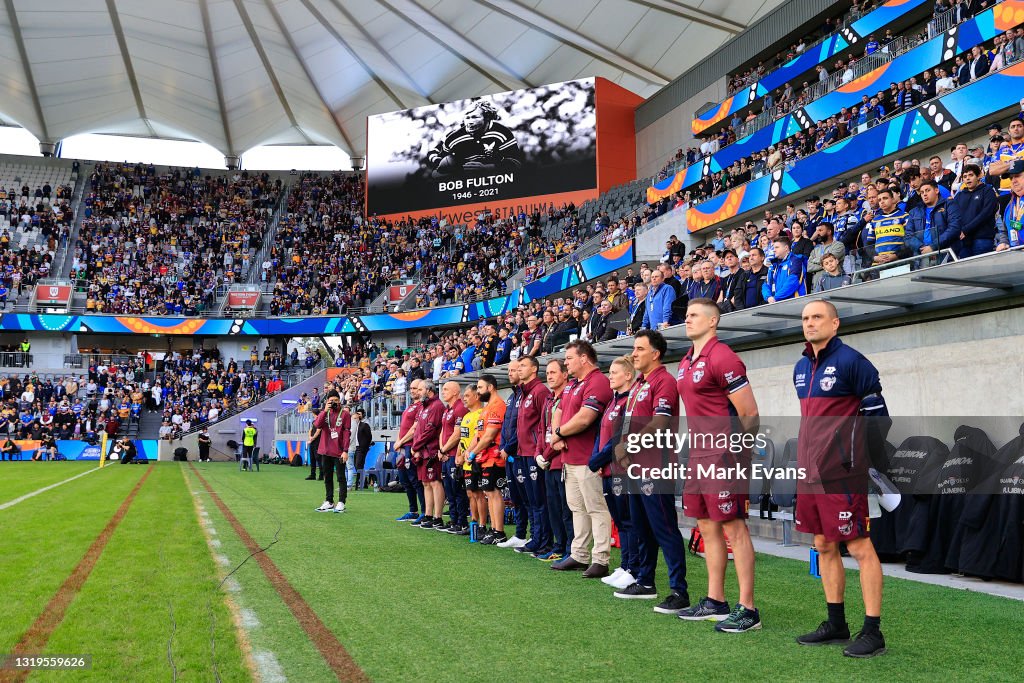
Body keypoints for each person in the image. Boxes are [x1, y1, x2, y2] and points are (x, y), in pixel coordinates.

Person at [793, 301, 889, 658]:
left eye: (817, 317)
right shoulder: (801, 367)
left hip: (843, 473)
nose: (810, 323)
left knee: (860, 546)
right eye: (805, 318)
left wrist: (861, 462)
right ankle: (836, 624)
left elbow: (878, 419)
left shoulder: (853, 362)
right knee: (823, 543)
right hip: (810, 471)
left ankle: (873, 631)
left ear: (835, 323)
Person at [676, 299, 762, 632]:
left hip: (724, 454)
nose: (687, 320)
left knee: (733, 529)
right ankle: (715, 600)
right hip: (698, 454)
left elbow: (750, 412)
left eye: (694, 315)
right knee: (707, 527)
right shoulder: (685, 361)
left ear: (713, 321)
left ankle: (748, 608)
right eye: (686, 316)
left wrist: (740, 452)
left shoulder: (724, 356)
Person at [612, 330, 690, 615]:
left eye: (639, 349)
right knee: (642, 527)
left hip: (656, 466)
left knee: (664, 529)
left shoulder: (665, 381)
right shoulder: (639, 384)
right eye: (634, 349)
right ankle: (645, 582)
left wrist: (629, 445)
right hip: (634, 466)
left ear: (655, 353)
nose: (634, 354)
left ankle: (679, 591)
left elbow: (660, 421)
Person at [549, 340, 613, 575]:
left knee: (596, 508)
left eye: (569, 358)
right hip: (569, 457)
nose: (566, 363)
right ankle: (579, 554)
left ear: (584, 358)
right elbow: (558, 409)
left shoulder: (598, 382)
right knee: (577, 508)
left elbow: (586, 418)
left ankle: (601, 559)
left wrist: (559, 433)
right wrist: (558, 434)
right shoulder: (573, 384)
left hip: (589, 459)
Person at [590, 355, 638, 589]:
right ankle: (625, 564)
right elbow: (602, 434)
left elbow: (619, 438)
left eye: (614, 373)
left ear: (628, 375)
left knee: (628, 520)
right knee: (619, 520)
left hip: (623, 470)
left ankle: (633, 568)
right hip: (607, 469)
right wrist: (597, 459)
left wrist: (597, 459)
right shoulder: (613, 401)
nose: (610, 377)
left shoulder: (630, 400)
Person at [513, 355, 552, 556]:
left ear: (534, 369)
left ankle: (544, 541)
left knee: (540, 500)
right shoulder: (523, 393)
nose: (519, 369)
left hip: (534, 453)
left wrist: (540, 449)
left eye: (523, 366)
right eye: (518, 366)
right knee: (531, 500)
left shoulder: (540, 391)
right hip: (523, 453)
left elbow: (544, 423)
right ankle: (536, 538)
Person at [427, 100, 524, 177]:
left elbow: (516, 163)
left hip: (494, 178)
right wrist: (441, 165)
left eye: (474, 117)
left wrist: (488, 168)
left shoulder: (502, 132)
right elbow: (433, 154)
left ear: (487, 117)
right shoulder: (454, 137)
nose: (470, 122)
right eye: (467, 118)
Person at [536, 359, 573, 561]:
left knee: (566, 509)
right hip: (547, 461)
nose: (549, 376)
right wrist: (538, 453)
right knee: (553, 507)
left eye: (553, 372)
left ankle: (570, 549)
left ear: (565, 374)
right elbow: (542, 430)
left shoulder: (568, 397)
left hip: (560, 461)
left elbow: (563, 433)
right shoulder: (549, 399)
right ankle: (559, 546)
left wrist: (546, 454)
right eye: (547, 373)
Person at [466, 374, 507, 545]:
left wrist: (473, 452)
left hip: (495, 457)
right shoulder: (486, 408)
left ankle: (499, 531)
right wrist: (470, 451)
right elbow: (478, 434)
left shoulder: (497, 405)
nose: (479, 391)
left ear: (490, 387)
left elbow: (489, 436)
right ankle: (493, 529)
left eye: (481, 388)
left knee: (494, 493)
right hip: (485, 457)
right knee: (488, 493)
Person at [496, 360, 528, 548]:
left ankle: (534, 536)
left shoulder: (526, 395)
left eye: (514, 370)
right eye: (508, 370)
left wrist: (508, 447)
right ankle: (520, 534)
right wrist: (503, 446)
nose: (510, 373)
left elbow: (523, 427)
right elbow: (505, 426)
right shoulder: (512, 396)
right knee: (515, 497)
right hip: (508, 453)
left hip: (520, 453)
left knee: (528, 498)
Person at [410, 379, 446, 528]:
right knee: (426, 483)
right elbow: (418, 429)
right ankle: (428, 514)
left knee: (435, 482)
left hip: (431, 450)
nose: (417, 393)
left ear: (429, 390)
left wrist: (416, 446)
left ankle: (437, 516)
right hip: (422, 450)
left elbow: (430, 431)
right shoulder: (424, 407)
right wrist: (416, 447)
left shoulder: (437, 406)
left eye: (420, 390)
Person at [438, 380, 469, 533]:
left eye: (446, 389)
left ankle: (461, 521)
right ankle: (453, 519)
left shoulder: (460, 408)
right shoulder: (447, 409)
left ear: (456, 392)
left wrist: (444, 450)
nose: (443, 392)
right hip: (445, 454)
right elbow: (443, 431)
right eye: (443, 389)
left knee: (457, 490)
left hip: (454, 456)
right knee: (449, 490)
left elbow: (457, 435)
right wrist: (440, 449)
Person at [393, 384, 426, 522]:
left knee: (415, 480)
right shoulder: (410, 406)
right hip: (402, 446)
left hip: (411, 447)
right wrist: (398, 442)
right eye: (411, 388)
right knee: (405, 480)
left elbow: (415, 429)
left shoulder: (421, 407)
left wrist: (400, 442)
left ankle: (425, 511)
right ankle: (413, 510)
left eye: (416, 388)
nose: (413, 391)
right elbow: (403, 427)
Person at [313, 393, 350, 513]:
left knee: (340, 477)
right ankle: (329, 501)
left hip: (339, 451)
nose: (334, 402)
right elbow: (317, 425)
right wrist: (324, 410)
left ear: (339, 401)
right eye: (331, 400)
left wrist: (345, 451)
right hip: (325, 450)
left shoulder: (345, 414)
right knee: (327, 477)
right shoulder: (325, 413)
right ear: (327, 401)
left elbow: (346, 433)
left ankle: (341, 502)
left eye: (336, 400)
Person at [458, 384, 485, 536]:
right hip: (466, 460)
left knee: (478, 494)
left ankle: (482, 525)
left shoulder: (481, 413)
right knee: (470, 494)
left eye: (467, 396)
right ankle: (473, 523)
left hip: (475, 460)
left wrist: (469, 453)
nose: (464, 399)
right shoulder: (466, 416)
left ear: (477, 396)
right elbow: (463, 437)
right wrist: (458, 454)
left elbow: (478, 437)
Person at [762, 236, 806, 302]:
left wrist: (776, 297)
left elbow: (793, 282)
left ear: (786, 248)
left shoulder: (795, 261)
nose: (774, 250)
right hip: (777, 303)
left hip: (794, 303)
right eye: (774, 247)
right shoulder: (773, 265)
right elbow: (766, 284)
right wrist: (768, 297)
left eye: (777, 247)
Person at [352, 409, 372, 489]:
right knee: (357, 465)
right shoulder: (352, 427)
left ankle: (360, 483)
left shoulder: (364, 425)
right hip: (354, 448)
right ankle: (364, 482)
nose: (354, 420)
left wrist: (365, 446)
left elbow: (369, 436)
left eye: (355, 418)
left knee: (358, 465)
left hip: (361, 448)